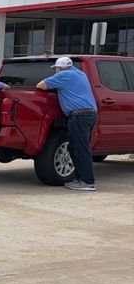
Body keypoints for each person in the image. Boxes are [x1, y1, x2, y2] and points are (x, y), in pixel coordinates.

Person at [36, 57, 98, 191]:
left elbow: (41, 85)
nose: (55, 71)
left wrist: (55, 82)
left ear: (59, 68)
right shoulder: (80, 74)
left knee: (80, 149)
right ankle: (80, 179)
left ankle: (87, 182)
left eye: (56, 69)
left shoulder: (64, 75)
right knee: (74, 147)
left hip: (79, 116)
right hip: (89, 114)